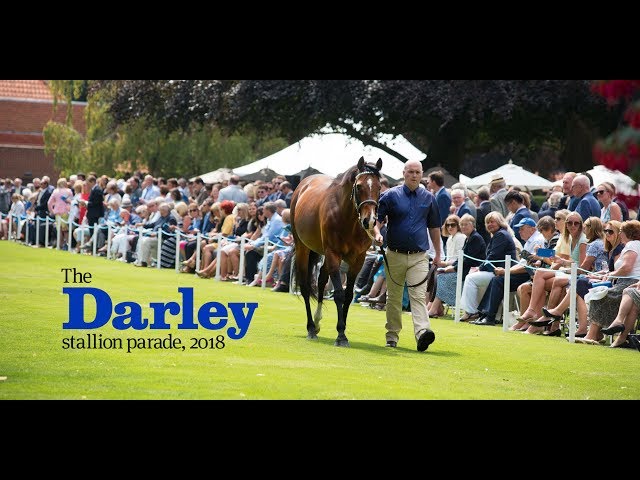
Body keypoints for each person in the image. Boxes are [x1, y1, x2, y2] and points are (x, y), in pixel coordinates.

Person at [373, 160, 441, 351]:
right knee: (393, 298)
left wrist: (438, 253)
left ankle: (422, 333)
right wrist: (377, 234)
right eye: (410, 171)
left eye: (417, 172)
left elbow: (434, 228)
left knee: (418, 296)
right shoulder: (390, 196)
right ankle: (392, 336)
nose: (414, 175)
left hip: (419, 255)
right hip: (394, 254)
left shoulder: (429, 198)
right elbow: (376, 220)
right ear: (403, 173)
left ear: (422, 174)